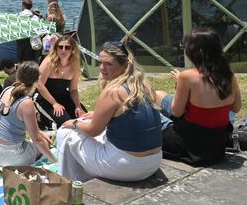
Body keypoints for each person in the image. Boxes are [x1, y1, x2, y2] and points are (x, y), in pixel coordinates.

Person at [56, 41, 163, 182]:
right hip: (153, 162)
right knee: (96, 130)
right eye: (100, 63)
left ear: (124, 66)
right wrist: (96, 114)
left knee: (65, 132)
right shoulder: (142, 86)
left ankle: (68, 182)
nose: (102, 68)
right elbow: (129, 115)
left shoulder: (113, 92)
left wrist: (74, 122)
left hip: (128, 166)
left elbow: (93, 131)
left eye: (108, 64)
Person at [156, 28, 242, 166]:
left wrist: (180, 83)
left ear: (194, 51)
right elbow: (236, 108)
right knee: (159, 95)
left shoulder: (187, 77)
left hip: (189, 143)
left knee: (151, 103)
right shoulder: (229, 76)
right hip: (217, 144)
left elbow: (176, 112)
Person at [0, 62, 57, 167]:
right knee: (44, 144)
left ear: (17, 75)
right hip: (10, 157)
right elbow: (37, 140)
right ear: (36, 81)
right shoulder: (26, 103)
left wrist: (41, 134)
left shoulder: (6, 90)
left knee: (43, 138)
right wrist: (55, 160)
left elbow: (17, 124)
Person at [35, 35, 84, 128]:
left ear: (73, 49)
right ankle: (39, 118)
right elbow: (39, 85)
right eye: (60, 47)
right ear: (56, 48)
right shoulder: (49, 62)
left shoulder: (75, 65)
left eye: (67, 47)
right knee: (65, 123)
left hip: (62, 96)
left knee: (82, 118)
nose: (63, 50)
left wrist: (78, 106)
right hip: (44, 97)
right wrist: (55, 103)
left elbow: (73, 90)